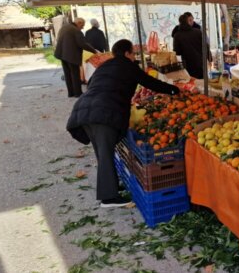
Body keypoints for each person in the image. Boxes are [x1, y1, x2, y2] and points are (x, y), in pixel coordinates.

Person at [66, 39, 180, 207]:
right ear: (127, 54)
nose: (134, 57)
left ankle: (110, 186)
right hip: (104, 113)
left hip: (85, 109)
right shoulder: (128, 66)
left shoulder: (104, 66)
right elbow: (149, 82)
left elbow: (92, 85)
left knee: (102, 152)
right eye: (133, 53)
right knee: (105, 153)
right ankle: (108, 197)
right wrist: (173, 90)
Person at [55, 18, 99, 97]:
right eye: (82, 25)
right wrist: (94, 51)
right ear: (79, 23)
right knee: (75, 74)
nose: (82, 28)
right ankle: (78, 93)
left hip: (62, 54)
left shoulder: (64, 27)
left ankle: (71, 93)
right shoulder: (76, 30)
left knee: (67, 74)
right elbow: (82, 44)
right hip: (71, 55)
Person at [172, 14, 211, 79]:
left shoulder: (177, 35)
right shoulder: (198, 32)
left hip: (187, 65)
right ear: (187, 21)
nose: (192, 22)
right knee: (202, 83)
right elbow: (205, 46)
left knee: (191, 84)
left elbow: (177, 52)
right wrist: (209, 58)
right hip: (200, 63)